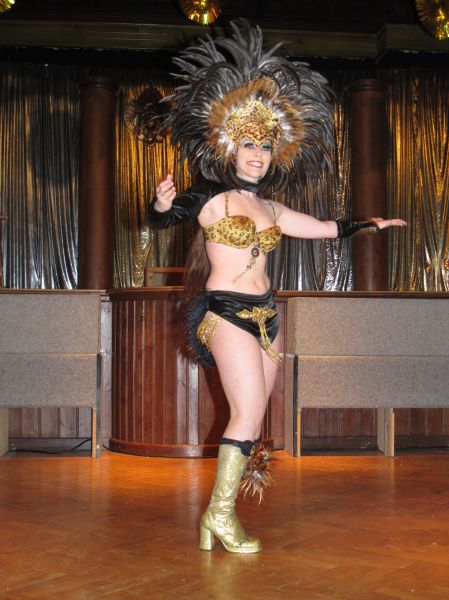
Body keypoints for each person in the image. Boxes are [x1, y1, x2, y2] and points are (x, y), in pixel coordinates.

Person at [148, 20, 406, 554]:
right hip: (225, 312)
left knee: (257, 414)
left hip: (267, 314)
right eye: (249, 144)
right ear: (230, 147)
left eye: (265, 147)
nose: (257, 155)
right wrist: (160, 203)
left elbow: (326, 228)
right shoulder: (211, 198)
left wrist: (370, 224)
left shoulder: (271, 207)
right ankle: (220, 516)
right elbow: (166, 218)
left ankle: (216, 517)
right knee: (245, 413)